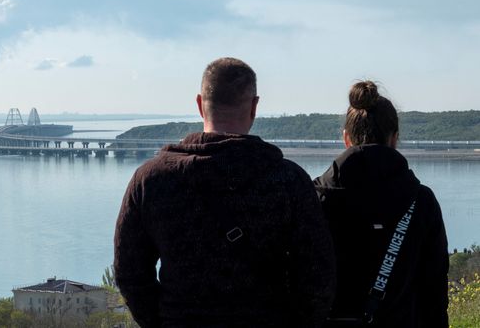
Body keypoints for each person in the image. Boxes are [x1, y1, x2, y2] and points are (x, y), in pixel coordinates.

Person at [114, 57, 336, 327]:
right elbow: (318, 278)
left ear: (199, 105)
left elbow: (129, 273)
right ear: (254, 107)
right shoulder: (289, 181)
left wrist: (161, 321)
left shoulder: (150, 180)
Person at [314, 81, 449, 328]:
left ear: (346, 138)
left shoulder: (314, 198)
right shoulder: (421, 201)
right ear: (395, 138)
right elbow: (434, 293)